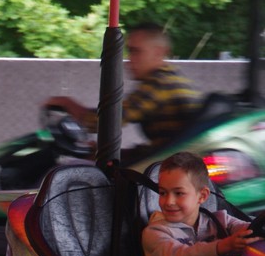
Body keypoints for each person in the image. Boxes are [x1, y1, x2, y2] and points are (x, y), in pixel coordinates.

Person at [45, 22, 202, 161]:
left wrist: (68, 104)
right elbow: (157, 148)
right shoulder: (174, 79)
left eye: (136, 52)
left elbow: (108, 122)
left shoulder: (159, 84)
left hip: (169, 167)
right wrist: (106, 153)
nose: (129, 59)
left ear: (158, 52)